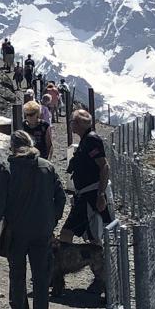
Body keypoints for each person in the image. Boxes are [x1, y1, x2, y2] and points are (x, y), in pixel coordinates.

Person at [0, 129, 67, 309]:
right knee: (41, 281)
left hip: (16, 233)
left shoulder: (7, 168)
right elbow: (61, 198)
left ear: (13, 147)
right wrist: (52, 221)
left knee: (17, 275)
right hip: (42, 232)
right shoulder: (47, 167)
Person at [66, 108, 114, 294]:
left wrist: (100, 194)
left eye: (74, 122)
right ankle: (98, 276)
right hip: (85, 195)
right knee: (89, 236)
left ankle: (67, 269)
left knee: (87, 235)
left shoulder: (92, 140)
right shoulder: (86, 140)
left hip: (91, 196)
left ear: (81, 124)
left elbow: (104, 167)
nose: (71, 125)